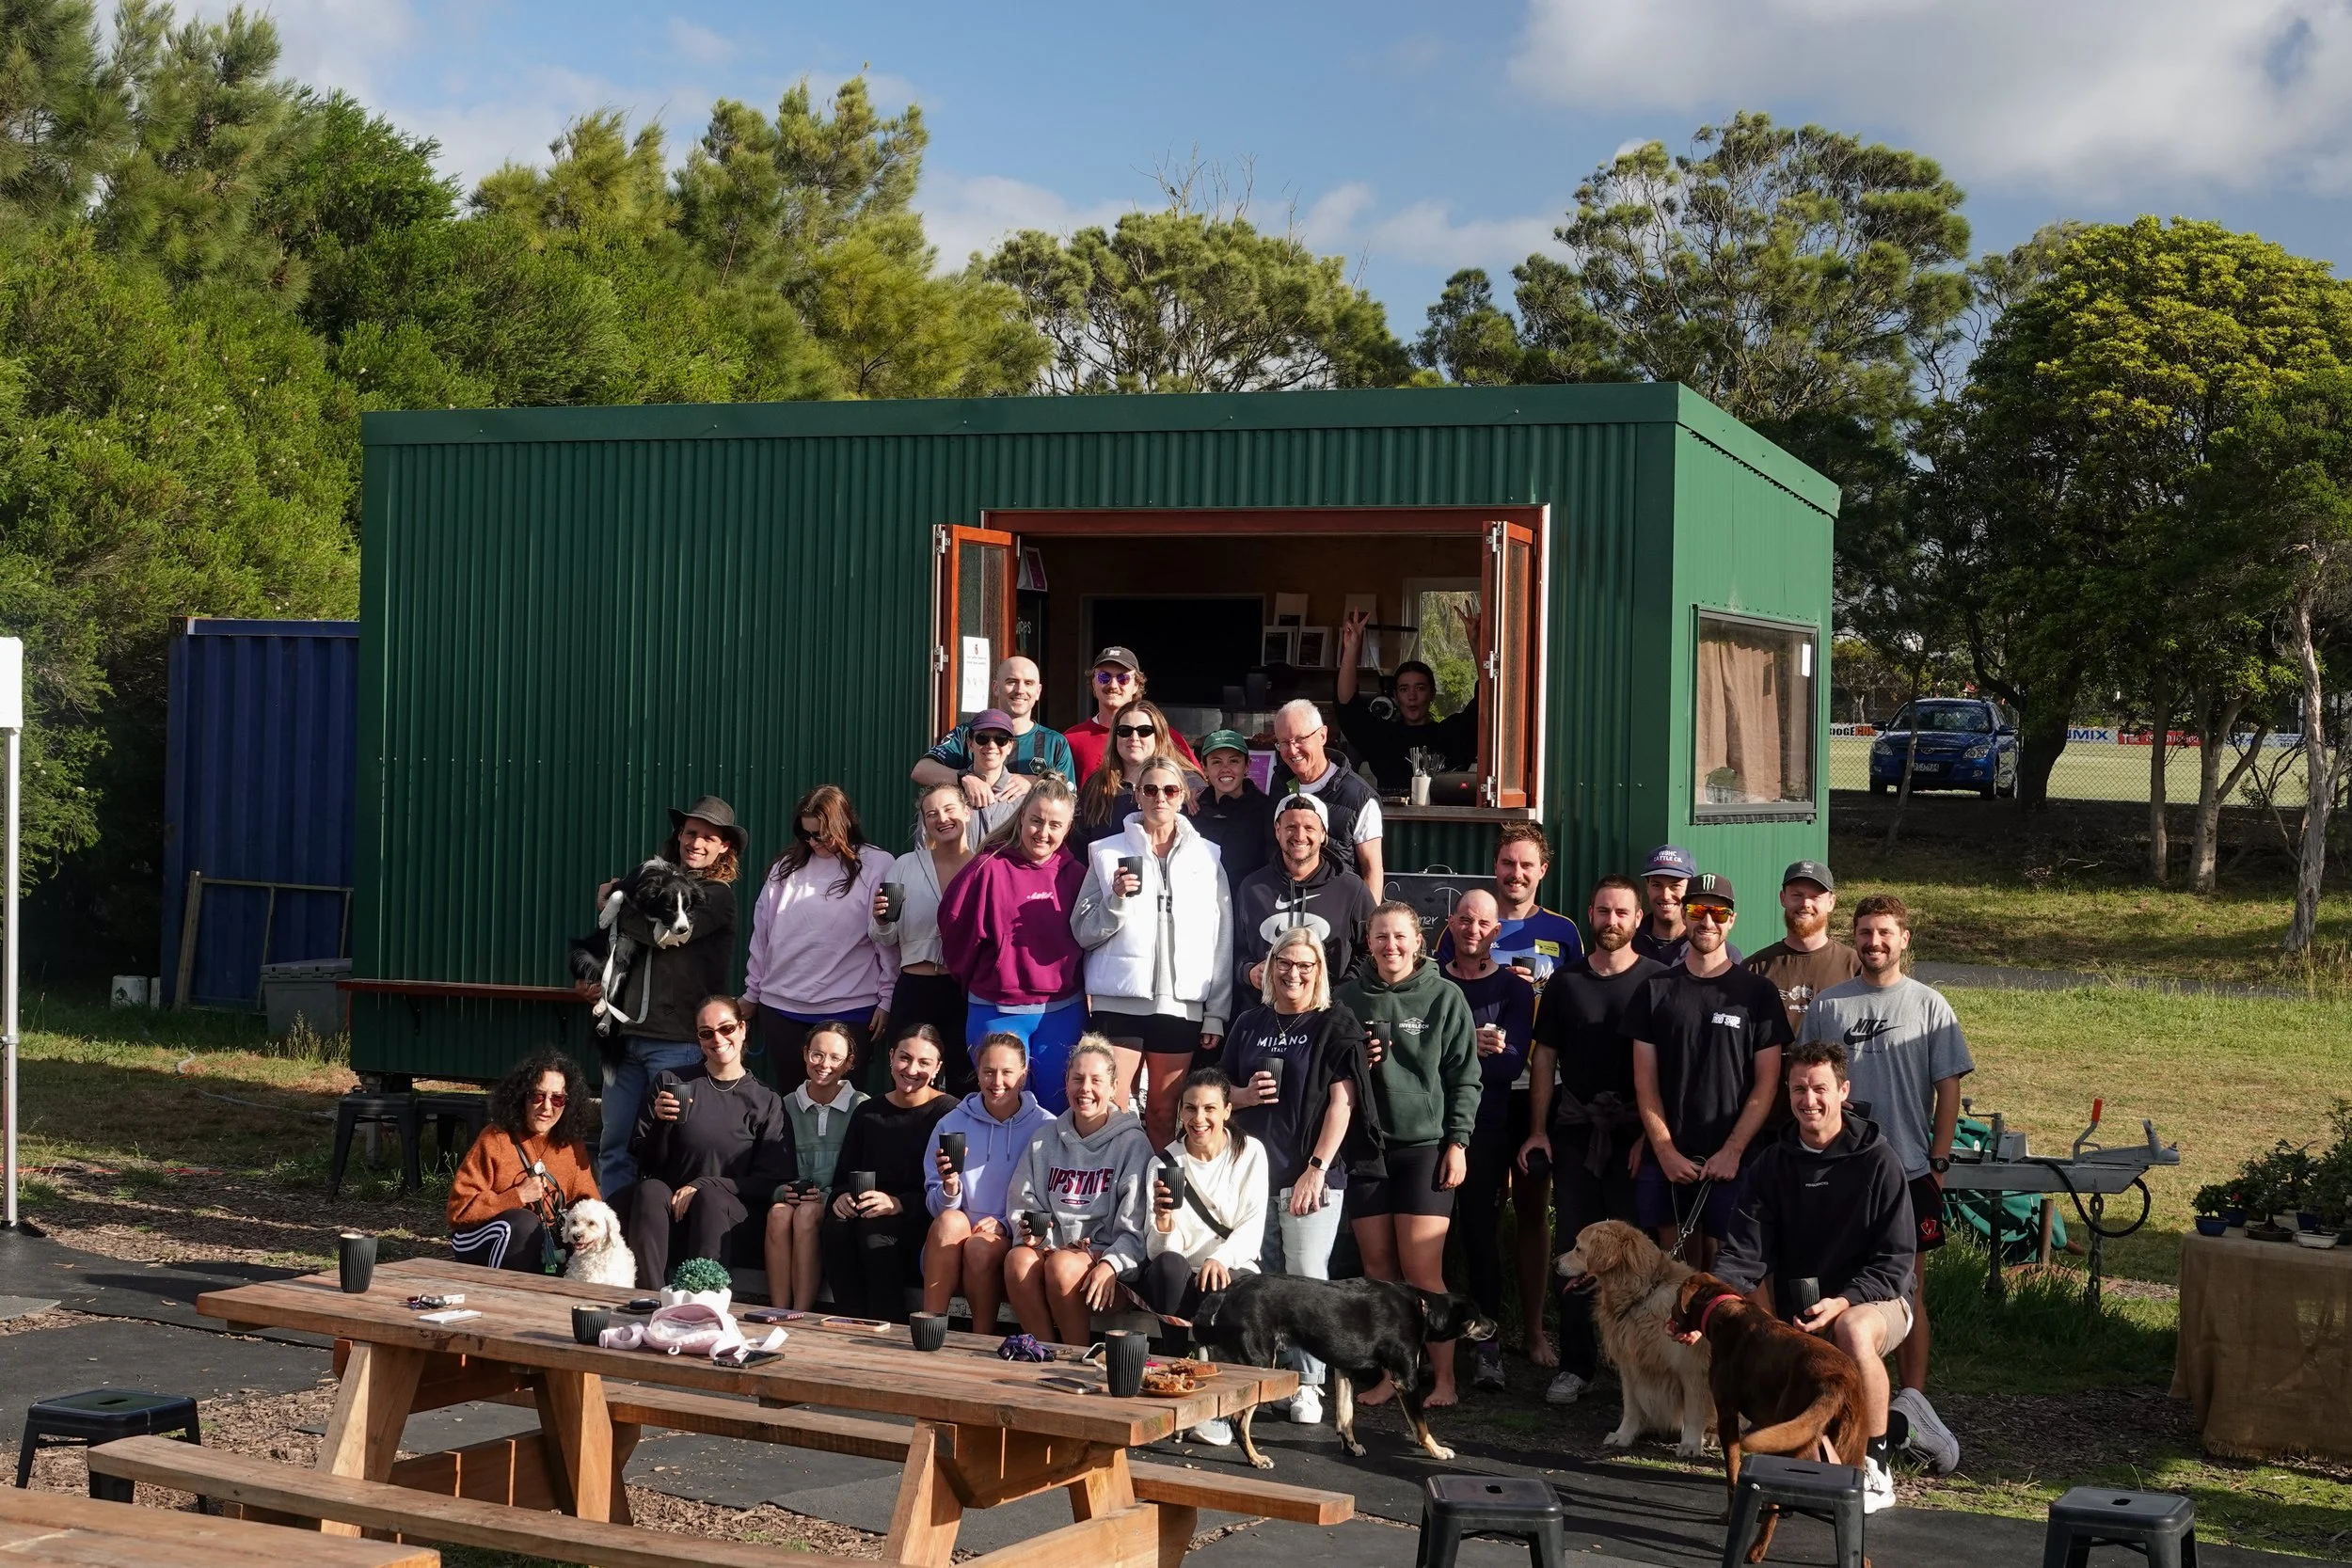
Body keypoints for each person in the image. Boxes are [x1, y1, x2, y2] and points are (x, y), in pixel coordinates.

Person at [1798, 894, 1971, 1476]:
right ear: (1855, 938)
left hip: (1910, 1169)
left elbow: (1948, 1088)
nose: (1875, 943)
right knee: (1838, 1286)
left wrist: (1939, 1160)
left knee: (1907, 1291)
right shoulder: (1828, 1005)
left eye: (1885, 933)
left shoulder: (1929, 1005)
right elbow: (1808, 1082)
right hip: (1842, 1173)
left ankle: (1912, 1405)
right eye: (1866, 933)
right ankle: (1841, 1404)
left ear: (1904, 940)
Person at [1709, 1039, 1917, 1516]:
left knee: (1851, 1329)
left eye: (1820, 1088)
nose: (1809, 1100)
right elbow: (1744, 1252)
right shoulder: (1772, 1164)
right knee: (1746, 1315)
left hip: (1878, 1299)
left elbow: (1896, 1261)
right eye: (1799, 1089)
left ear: (1843, 1091)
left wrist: (1845, 1301)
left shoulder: (1879, 1160)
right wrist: (1709, 1306)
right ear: (1788, 1093)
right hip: (1801, 1305)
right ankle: (1789, 1459)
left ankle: (1876, 1463)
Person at [1431, 823, 1582, 1371]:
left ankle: (1535, 1329)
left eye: (1526, 865)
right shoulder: (1462, 929)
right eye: (1506, 863)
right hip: (1480, 1093)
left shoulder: (1562, 931)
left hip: (1538, 1088)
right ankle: (1478, 1328)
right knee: (1479, 1210)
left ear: (1542, 871)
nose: (1514, 874)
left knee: (1533, 1212)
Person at [1221, 926, 1376, 1429]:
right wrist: (1241, 1097)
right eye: (1284, 963)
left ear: (1319, 972)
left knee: (1307, 1282)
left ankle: (1309, 1384)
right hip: (1251, 1175)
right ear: (1268, 969)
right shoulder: (1248, 1023)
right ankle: (1263, 1379)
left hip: (1310, 1174)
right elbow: (1222, 1087)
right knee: (1261, 1282)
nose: (1293, 973)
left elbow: (1344, 1100)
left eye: (1305, 965)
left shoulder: (1335, 1023)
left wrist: (1318, 1168)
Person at [1519, 875, 1662, 1405]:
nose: (1611, 921)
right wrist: (1538, 1130)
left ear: (1637, 919)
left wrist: (1653, 1137)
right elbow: (1545, 1059)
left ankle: (1637, 1367)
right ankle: (1577, 1365)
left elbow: (1664, 1069)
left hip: (1634, 1135)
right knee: (1573, 1249)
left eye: (1622, 913)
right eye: (1603, 911)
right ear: (1590, 914)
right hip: (1577, 1129)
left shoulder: (1657, 981)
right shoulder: (1566, 982)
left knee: (1636, 1255)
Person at [1339, 901, 1480, 1407]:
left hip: (1424, 1147)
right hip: (1368, 1148)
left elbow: (1465, 1076)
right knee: (1379, 1275)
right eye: (1381, 937)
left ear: (1418, 941)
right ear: (1368, 942)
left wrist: (1457, 1142)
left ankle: (1444, 1380)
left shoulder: (1445, 997)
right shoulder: (1348, 998)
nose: (1391, 946)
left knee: (1423, 1274)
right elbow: (1330, 1072)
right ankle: (1392, 1375)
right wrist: (1358, 1060)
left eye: (1400, 937)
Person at [1622, 873, 1789, 1270]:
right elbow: (1645, 1083)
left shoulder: (1757, 993)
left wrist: (1732, 1151)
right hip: (1669, 1158)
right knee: (1673, 1274)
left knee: (1735, 1276)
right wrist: (1664, 1152)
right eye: (1697, 910)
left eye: (1718, 912)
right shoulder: (1655, 990)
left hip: (1736, 1160)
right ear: (1684, 914)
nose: (1707, 921)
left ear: (1732, 919)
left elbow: (1767, 1084)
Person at [583, 796, 744, 1195]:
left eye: (709, 837)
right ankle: (615, 1240)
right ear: (679, 834)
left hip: (678, 1044)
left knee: (672, 1148)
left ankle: (668, 1243)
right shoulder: (655, 880)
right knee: (615, 1145)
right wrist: (595, 980)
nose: (697, 843)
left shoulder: (717, 896)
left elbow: (669, 934)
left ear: (725, 846)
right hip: (624, 1036)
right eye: (691, 833)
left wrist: (615, 899)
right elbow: (617, 942)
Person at [1073, 754, 1233, 1147]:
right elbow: (1082, 930)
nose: (1159, 798)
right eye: (1150, 789)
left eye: (1170, 789)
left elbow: (1222, 937)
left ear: (1182, 797)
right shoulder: (1105, 852)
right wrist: (1115, 898)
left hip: (1181, 1005)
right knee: (1112, 1108)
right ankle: (1110, 1198)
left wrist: (1215, 1014)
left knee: (1165, 1111)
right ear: (1136, 795)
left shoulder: (1208, 856)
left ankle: (1154, 1198)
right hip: (1119, 1000)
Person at [938, 774, 1089, 1112]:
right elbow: (956, 929)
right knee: (999, 1108)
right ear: (1021, 817)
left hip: (1060, 1011)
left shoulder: (1077, 874)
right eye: (1036, 821)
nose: (1043, 832)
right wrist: (986, 976)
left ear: (1067, 829)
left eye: (1054, 825)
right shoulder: (988, 868)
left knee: (1056, 1111)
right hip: (996, 1009)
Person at [623, 995, 795, 1291]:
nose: (718, 1039)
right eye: (706, 1033)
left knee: (710, 1199)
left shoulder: (766, 1100)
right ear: (699, 1039)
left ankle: (702, 1303)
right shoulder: (673, 1082)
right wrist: (661, 1126)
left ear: (742, 1029)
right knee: (650, 1190)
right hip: (672, 1213)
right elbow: (647, 1165)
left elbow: (771, 1181)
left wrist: (707, 1184)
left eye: (726, 1028)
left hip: (729, 1219)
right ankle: (649, 1301)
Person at [1438, 889, 1538, 1391]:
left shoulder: (1516, 991)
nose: (1472, 930)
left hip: (1487, 1128)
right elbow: (1415, 1061)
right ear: (1450, 925)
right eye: (1463, 920)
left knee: (1480, 1240)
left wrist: (1451, 1049)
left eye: (1482, 923)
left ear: (1496, 932)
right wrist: (1468, 1042)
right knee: (1427, 1245)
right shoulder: (1431, 981)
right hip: (1430, 1130)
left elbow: (1510, 1065)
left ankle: (1486, 1346)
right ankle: (1421, 1343)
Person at [1143, 1069, 1268, 1447]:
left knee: (1238, 1286)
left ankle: (1222, 1404)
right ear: (1180, 1113)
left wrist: (1223, 1258)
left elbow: (1252, 1223)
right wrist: (1164, 1224)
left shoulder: (1250, 1153)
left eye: (1210, 1108)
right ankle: (1171, 1372)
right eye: (1191, 1109)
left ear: (1228, 1110)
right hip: (1183, 1272)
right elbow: (1156, 1250)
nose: (1199, 1119)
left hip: (1233, 1266)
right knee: (1166, 1266)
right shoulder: (1164, 1162)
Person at [744, 785, 897, 1094]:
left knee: (846, 1106)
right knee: (792, 1103)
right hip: (782, 1007)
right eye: (806, 835)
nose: (814, 843)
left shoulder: (877, 864)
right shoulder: (785, 868)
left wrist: (888, 997)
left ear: (844, 825)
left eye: (822, 835)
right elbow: (762, 934)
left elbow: (887, 938)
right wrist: (752, 992)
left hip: (850, 1008)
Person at [1003, 1038, 1155, 1344]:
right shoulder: (1044, 1138)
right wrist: (1034, 1234)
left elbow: (1136, 1229)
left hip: (1110, 1271)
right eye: (1077, 1079)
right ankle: (1043, 1352)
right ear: (1066, 1082)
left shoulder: (1132, 1144)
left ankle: (1074, 1360)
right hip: (1055, 1252)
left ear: (1113, 1087)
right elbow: (1024, 1202)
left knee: (1062, 1266)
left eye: (1096, 1080)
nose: (1085, 1088)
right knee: (1017, 1260)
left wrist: (1112, 1263)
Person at [921, 1034, 1054, 1335]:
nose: (997, 1081)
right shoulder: (951, 1123)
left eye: (1007, 1072)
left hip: (1009, 1236)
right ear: (977, 1073)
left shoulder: (1045, 1126)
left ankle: (980, 1337)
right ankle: (928, 1329)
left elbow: (1048, 1197)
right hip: (953, 1237)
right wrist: (950, 1187)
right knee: (949, 1221)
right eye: (988, 1072)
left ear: (1023, 1075)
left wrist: (1006, 1223)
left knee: (980, 1248)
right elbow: (934, 1205)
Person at [822, 1026, 956, 1322]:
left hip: (920, 1218)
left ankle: (886, 1327)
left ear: (937, 1068)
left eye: (924, 1062)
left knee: (875, 1235)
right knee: (836, 1226)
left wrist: (898, 1204)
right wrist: (842, 1196)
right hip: (865, 1211)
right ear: (891, 1056)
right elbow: (843, 1176)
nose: (911, 1069)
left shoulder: (950, 1113)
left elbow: (953, 1190)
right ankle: (848, 1324)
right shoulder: (868, 1111)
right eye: (904, 1058)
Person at [450, 1048, 601, 1273]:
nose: (547, 1107)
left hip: (542, 1239)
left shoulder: (571, 1144)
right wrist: (516, 1196)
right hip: (481, 1235)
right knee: (524, 1225)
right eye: (538, 1096)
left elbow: (590, 1205)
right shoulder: (495, 1138)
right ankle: (500, 1296)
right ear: (522, 1097)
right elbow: (458, 1211)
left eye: (558, 1098)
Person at [873, 782, 978, 1092]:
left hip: (964, 990)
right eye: (932, 813)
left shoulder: (984, 866)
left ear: (967, 812)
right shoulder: (906, 864)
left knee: (964, 1080)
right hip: (914, 987)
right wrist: (880, 920)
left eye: (949, 809)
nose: (941, 819)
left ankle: (962, 1142)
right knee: (908, 1079)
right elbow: (885, 937)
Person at [766, 1022, 867, 1310]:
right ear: (805, 1054)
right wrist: (781, 1192)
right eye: (817, 1055)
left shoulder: (861, 1105)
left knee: (807, 1214)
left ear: (849, 1062)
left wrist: (832, 1196)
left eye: (835, 1058)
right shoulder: (784, 1105)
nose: (825, 1064)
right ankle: (777, 1310)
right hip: (796, 1198)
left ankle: (800, 1313)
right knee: (777, 1214)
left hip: (835, 1202)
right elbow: (772, 1163)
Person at [1232, 793, 1375, 995]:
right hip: (1265, 1012)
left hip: (1330, 1014)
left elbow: (1371, 952)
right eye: (1291, 827)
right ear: (1277, 831)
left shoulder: (1352, 889)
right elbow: (1233, 949)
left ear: (1323, 834)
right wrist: (1248, 972)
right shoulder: (1252, 887)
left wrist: (1342, 991)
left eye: (1309, 828)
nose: (1299, 836)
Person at [1334, 608, 1481, 791]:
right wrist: (1351, 649)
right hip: (1393, 818)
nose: (1412, 696)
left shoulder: (1451, 735)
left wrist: (1476, 646)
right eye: (1404, 689)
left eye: (1420, 688)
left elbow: (1486, 706)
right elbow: (1348, 707)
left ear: (1432, 694)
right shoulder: (1383, 738)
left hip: (1445, 817)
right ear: (1395, 696)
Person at [913, 656, 1075, 800]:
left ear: (1038, 691)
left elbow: (1068, 794)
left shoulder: (1055, 743)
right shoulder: (968, 734)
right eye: (1012, 681)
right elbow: (921, 770)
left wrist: (1034, 782)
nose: (1020, 690)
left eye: (1028, 683)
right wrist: (964, 778)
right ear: (996, 687)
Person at [1270, 699, 1383, 900]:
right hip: (1285, 910)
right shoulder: (1279, 785)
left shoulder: (1359, 796)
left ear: (1322, 735)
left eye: (1300, 739)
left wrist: (1367, 926)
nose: (1292, 750)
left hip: (1338, 914)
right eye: (1284, 743)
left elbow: (1372, 871)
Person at [1743, 860, 1860, 1037]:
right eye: (1797, 895)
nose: (1805, 903)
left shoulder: (1855, 966)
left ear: (1831, 902)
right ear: (1783, 898)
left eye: (1815, 897)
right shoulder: (1754, 968)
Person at [1074, 697, 1200, 852]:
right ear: (1115, 737)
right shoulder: (1097, 784)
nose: (1134, 738)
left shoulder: (1187, 782)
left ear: (1159, 736)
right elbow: (1079, 844)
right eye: (1125, 731)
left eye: (1144, 731)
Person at [1063, 646, 1203, 781]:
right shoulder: (1070, 740)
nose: (1113, 685)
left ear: (1136, 684)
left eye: (1122, 678)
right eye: (1104, 677)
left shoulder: (1163, 736)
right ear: (1094, 682)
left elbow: (1196, 785)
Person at [1630, 845, 1741, 967]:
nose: (1666, 895)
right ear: (1647, 887)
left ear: (1690, 888)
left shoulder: (1725, 955)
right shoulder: (1629, 943)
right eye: (1657, 885)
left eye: (1675, 886)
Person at [1192, 729, 1272, 888]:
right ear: (1204, 768)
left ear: (1247, 765)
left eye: (1234, 761)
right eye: (1216, 762)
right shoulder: (1192, 810)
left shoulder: (1267, 810)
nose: (1225, 768)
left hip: (1248, 904)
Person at [951, 710, 1029, 849]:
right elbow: (927, 850)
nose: (992, 745)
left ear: (1010, 746)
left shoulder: (1026, 798)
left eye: (1001, 739)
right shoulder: (948, 795)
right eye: (982, 738)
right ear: (970, 744)